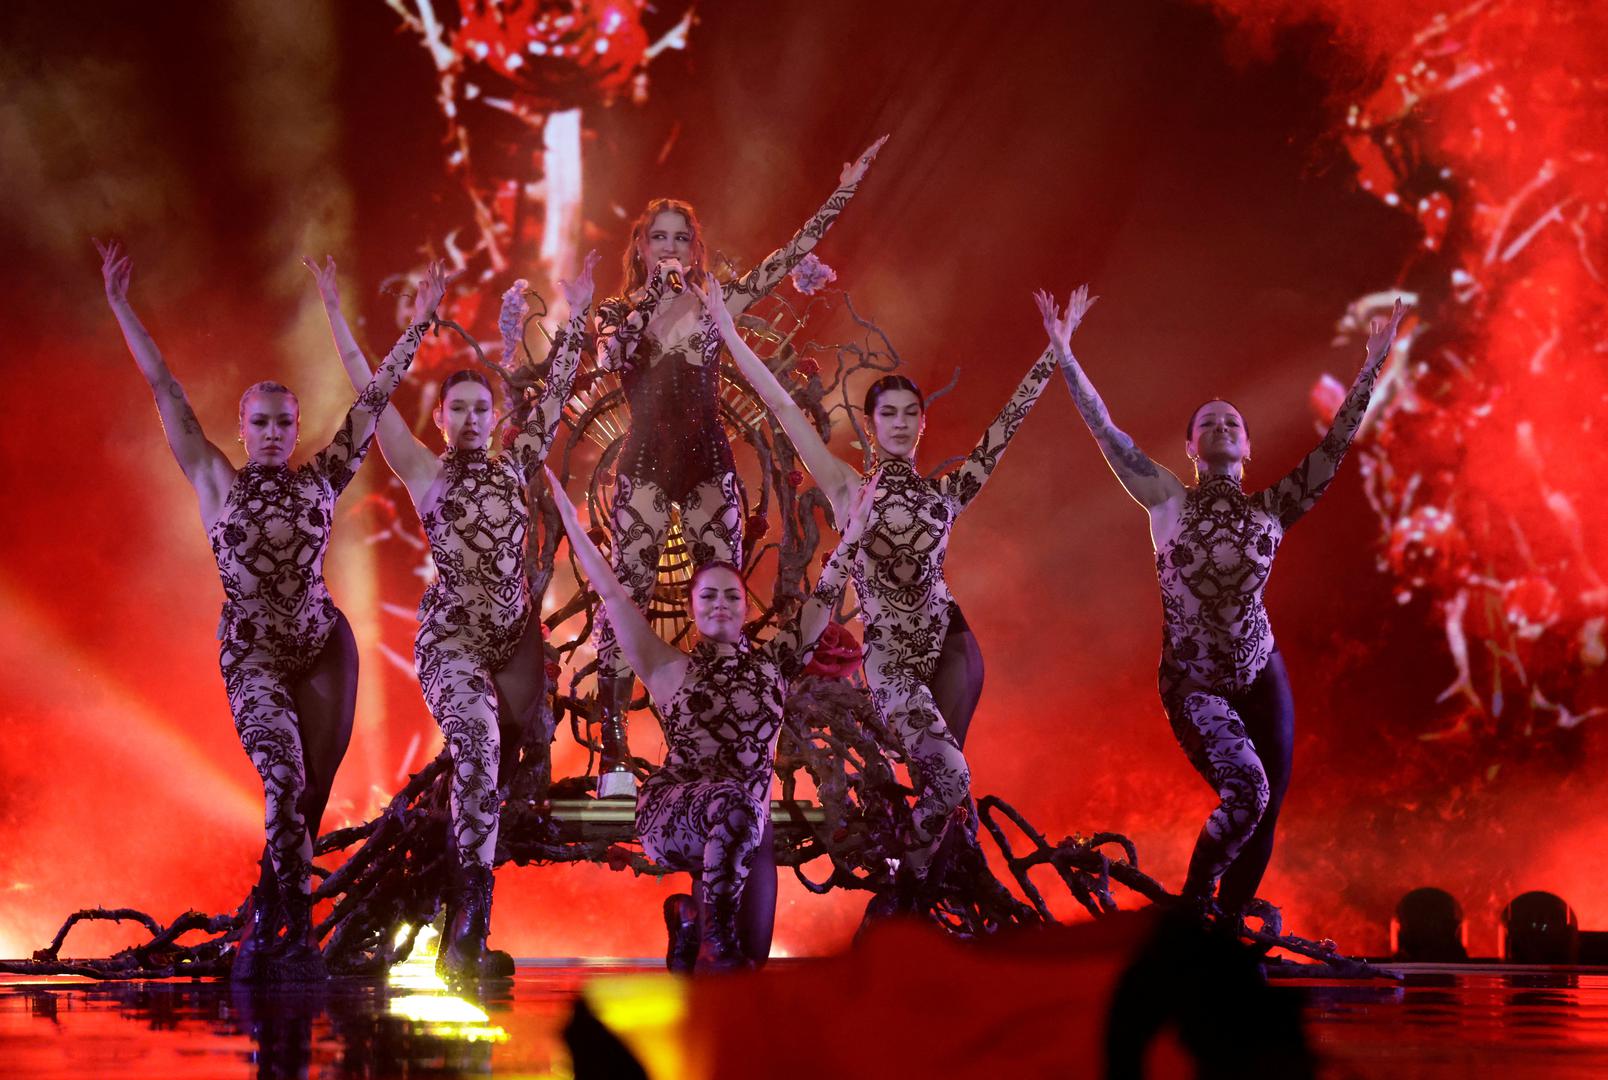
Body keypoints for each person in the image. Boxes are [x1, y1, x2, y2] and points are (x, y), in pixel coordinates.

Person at [99, 239, 447, 978]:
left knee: (308, 798)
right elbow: (165, 390)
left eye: (283, 423)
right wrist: (121, 305)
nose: (271, 433)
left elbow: (376, 397)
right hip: (253, 656)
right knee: (283, 781)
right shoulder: (213, 479)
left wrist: (413, 327)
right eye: (259, 422)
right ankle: (288, 935)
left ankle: (268, 921)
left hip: (323, 650)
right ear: (241, 424)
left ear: (294, 430)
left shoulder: (321, 478)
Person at [690, 277, 1073, 896]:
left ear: (922, 425)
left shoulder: (945, 495)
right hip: (892, 661)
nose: (899, 423)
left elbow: (1002, 433)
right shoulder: (847, 489)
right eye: (886, 414)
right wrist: (730, 334)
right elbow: (785, 410)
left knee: (950, 788)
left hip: (953, 648)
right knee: (947, 780)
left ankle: (940, 895)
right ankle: (908, 882)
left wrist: (1053, 353)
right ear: (869, 426)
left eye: (909, 414)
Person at [1039, 286, 1407, 917]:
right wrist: (1064, 354)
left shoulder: (1274, 508)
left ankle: (1229, 928)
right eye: (1206, 422)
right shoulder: (1164, 501)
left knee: (1267, 809)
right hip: (1193, 682)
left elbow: (1335, 445)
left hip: (1261, 673)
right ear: (1189, 447)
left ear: (1247, 446)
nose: (1220, 427)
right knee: (1248, 794)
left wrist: (1371, 368)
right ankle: (1192, 908)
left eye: (1231, 422)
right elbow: (1106, 431)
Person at [308, 251, 598, 980]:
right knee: (476, 751)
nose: (471, 418)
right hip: (454, 643)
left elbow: (560, 388)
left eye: (481, 408)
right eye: (458, 408)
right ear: (440, 420)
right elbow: (370, 395)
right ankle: (466, 930)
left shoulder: (516, 462)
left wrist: (581, 312)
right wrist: (341, 316)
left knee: (497, 780)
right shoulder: (424, 471)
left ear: (494, 418)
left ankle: (459, 925)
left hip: (516, 647)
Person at [588, 136, 888, 795]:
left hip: (705, 467)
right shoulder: (618, 311)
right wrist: (642, 309)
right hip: (642, 466)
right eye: (657, 238)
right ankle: (612, 759)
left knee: (718, 604)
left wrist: (842, 190)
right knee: (624, 601)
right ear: (642, 247)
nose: (668, 248)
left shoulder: (717, 304)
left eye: (679, 238)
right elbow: (608, 356)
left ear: (694, 248)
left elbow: (787, 258)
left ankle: (717, 742)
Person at [550, 466, 874, 970]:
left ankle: (687, 927)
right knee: (734, 822)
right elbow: (613, 593)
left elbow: (828, 593)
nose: (720, 605)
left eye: (731, 596)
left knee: (753, 958)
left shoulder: (775, 663)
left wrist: (856, 525)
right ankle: (710, 940)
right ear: (691, 607)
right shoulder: (665, 665)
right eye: (708, 596)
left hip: (747, 822)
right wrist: (570, 520)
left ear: (746, 607)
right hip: (676, 815)